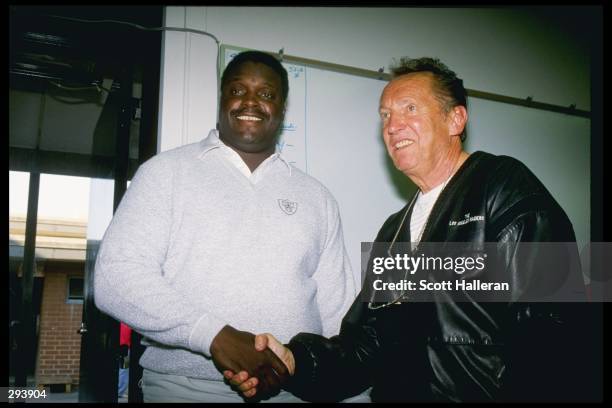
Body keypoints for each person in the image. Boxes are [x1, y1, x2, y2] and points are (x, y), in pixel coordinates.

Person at [227, 57, 599, 402]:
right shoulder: (393, 231)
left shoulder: (502, 187)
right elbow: (365, 349)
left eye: (410, 109)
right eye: (385, 114)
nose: (392, 125)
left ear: (456, 120)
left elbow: (558, 330)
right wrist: (294, 361)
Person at [93, 50, 355, 403]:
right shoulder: (165, 173)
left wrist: (349, 392)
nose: (251, 101)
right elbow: (115, 278)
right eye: (237, 90)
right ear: (221, 99)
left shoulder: (318, 197)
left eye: (266, 93)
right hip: (185, 389)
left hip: (298, 390)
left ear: (282, 107)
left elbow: (338, 314)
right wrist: (214, 335)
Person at [117, 322, 131, 399]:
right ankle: (120, 391)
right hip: (125, 348)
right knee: (124, 369)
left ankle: (119, 390)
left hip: (119, 347)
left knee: (121, 369)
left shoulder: (119, 321)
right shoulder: (127, 323)